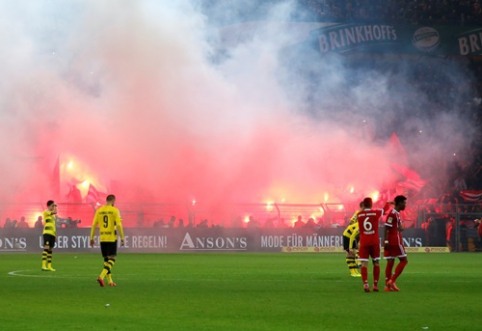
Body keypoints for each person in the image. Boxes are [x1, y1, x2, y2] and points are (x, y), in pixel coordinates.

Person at [355, 197, 390, 292]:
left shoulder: (359, 214)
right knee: (376, 263)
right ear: (371, 204)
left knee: (364, 264)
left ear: (363, 204)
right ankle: (375, 285)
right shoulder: (376, 212)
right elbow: (385, 209)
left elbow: (362, 212)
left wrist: (363, 209)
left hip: (364, 242)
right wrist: (388, 202)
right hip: (374, 242)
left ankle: (366, 284)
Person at [90, 194, 125, 287]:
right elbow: (119, 225)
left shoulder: (99, 211)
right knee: (112, 259)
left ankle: (110, 281)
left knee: (106, 260)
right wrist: (122, 237)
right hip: (111, 237)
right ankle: (101, 276)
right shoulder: (115, 210)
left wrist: (91, 238)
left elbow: (93, 225)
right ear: (113, 201)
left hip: (102, 238)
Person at [383, 195, 408, 292]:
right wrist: (386, 241)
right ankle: (392, 281)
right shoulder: (393, 214)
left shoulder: (396, 213)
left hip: (391, 240)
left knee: (390, 262)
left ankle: (387, 286)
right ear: (400, 203)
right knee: (404, 260)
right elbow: (386, 227)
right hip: (395, 240)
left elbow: (394, 227)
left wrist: (400, 228)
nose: (405, 205)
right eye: (404, 203)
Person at [342, 201, 364, 277]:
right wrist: (353, 227)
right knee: (350, 252)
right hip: (350, 234)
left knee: (356, 249)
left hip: (355, 233)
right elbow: (351, 222)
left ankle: (356, 268)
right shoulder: (358, 213)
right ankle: (353, 271)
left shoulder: (365, 216)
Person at [41, 200, 58, 271]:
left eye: (54, 206)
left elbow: (54, 225)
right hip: (47, 233)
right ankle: (43, 265)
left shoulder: (53, 216)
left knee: (50, 249)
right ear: (48, 206)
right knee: (46, 248)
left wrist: (55, 235)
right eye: (52, 206)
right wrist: (56, 206)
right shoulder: (46, 212)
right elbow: (55, 212)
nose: (53, 207)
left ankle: (49, 266)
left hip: (52, 233)